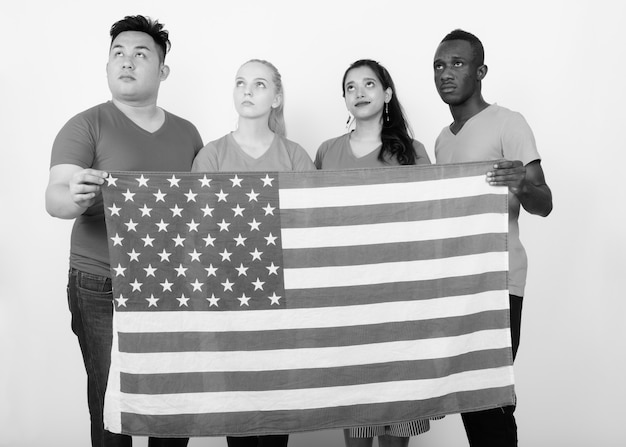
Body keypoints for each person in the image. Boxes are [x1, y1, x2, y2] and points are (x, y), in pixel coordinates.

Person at [45, 15, 203, 447]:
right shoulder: (87, 125)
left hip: (171, 285)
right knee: (111, 402)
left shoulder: (189, 134)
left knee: (171, 402)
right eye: (118, 53)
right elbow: (55, 197)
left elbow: (203, 210)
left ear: (162, 70)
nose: (126, 62)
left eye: (140, 54)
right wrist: (73, 195)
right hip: (101, 282)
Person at [433, 29, 553, 446]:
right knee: (469, 394)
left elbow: (545, 203)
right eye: (439, 66)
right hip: (460, 282)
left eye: (458, 63)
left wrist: (521, 181)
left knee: (492, 398)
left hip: (500, 278)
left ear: (481, 70)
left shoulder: (509, 123)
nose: (446, 73)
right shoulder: (441, 141)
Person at [192, 59, 314, 447]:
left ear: (276, 97)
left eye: (259, 84)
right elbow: (199, 231)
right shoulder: (210, 155)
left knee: (278, 403)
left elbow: (310, 228)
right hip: (229, 298)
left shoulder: (295, 156)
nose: (247, 90)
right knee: (239, 407)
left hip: (283, 297)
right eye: (241, 82)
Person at [315, 59, 431, 447]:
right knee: (357, 420)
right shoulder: (327, 152)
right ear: (345, 99)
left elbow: (429, 219)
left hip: (400, 302)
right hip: (348, 305)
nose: (359, 92)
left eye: (368, 84)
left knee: (397, 431)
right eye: (350, 87)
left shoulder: (412, 152)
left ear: (387, 94)